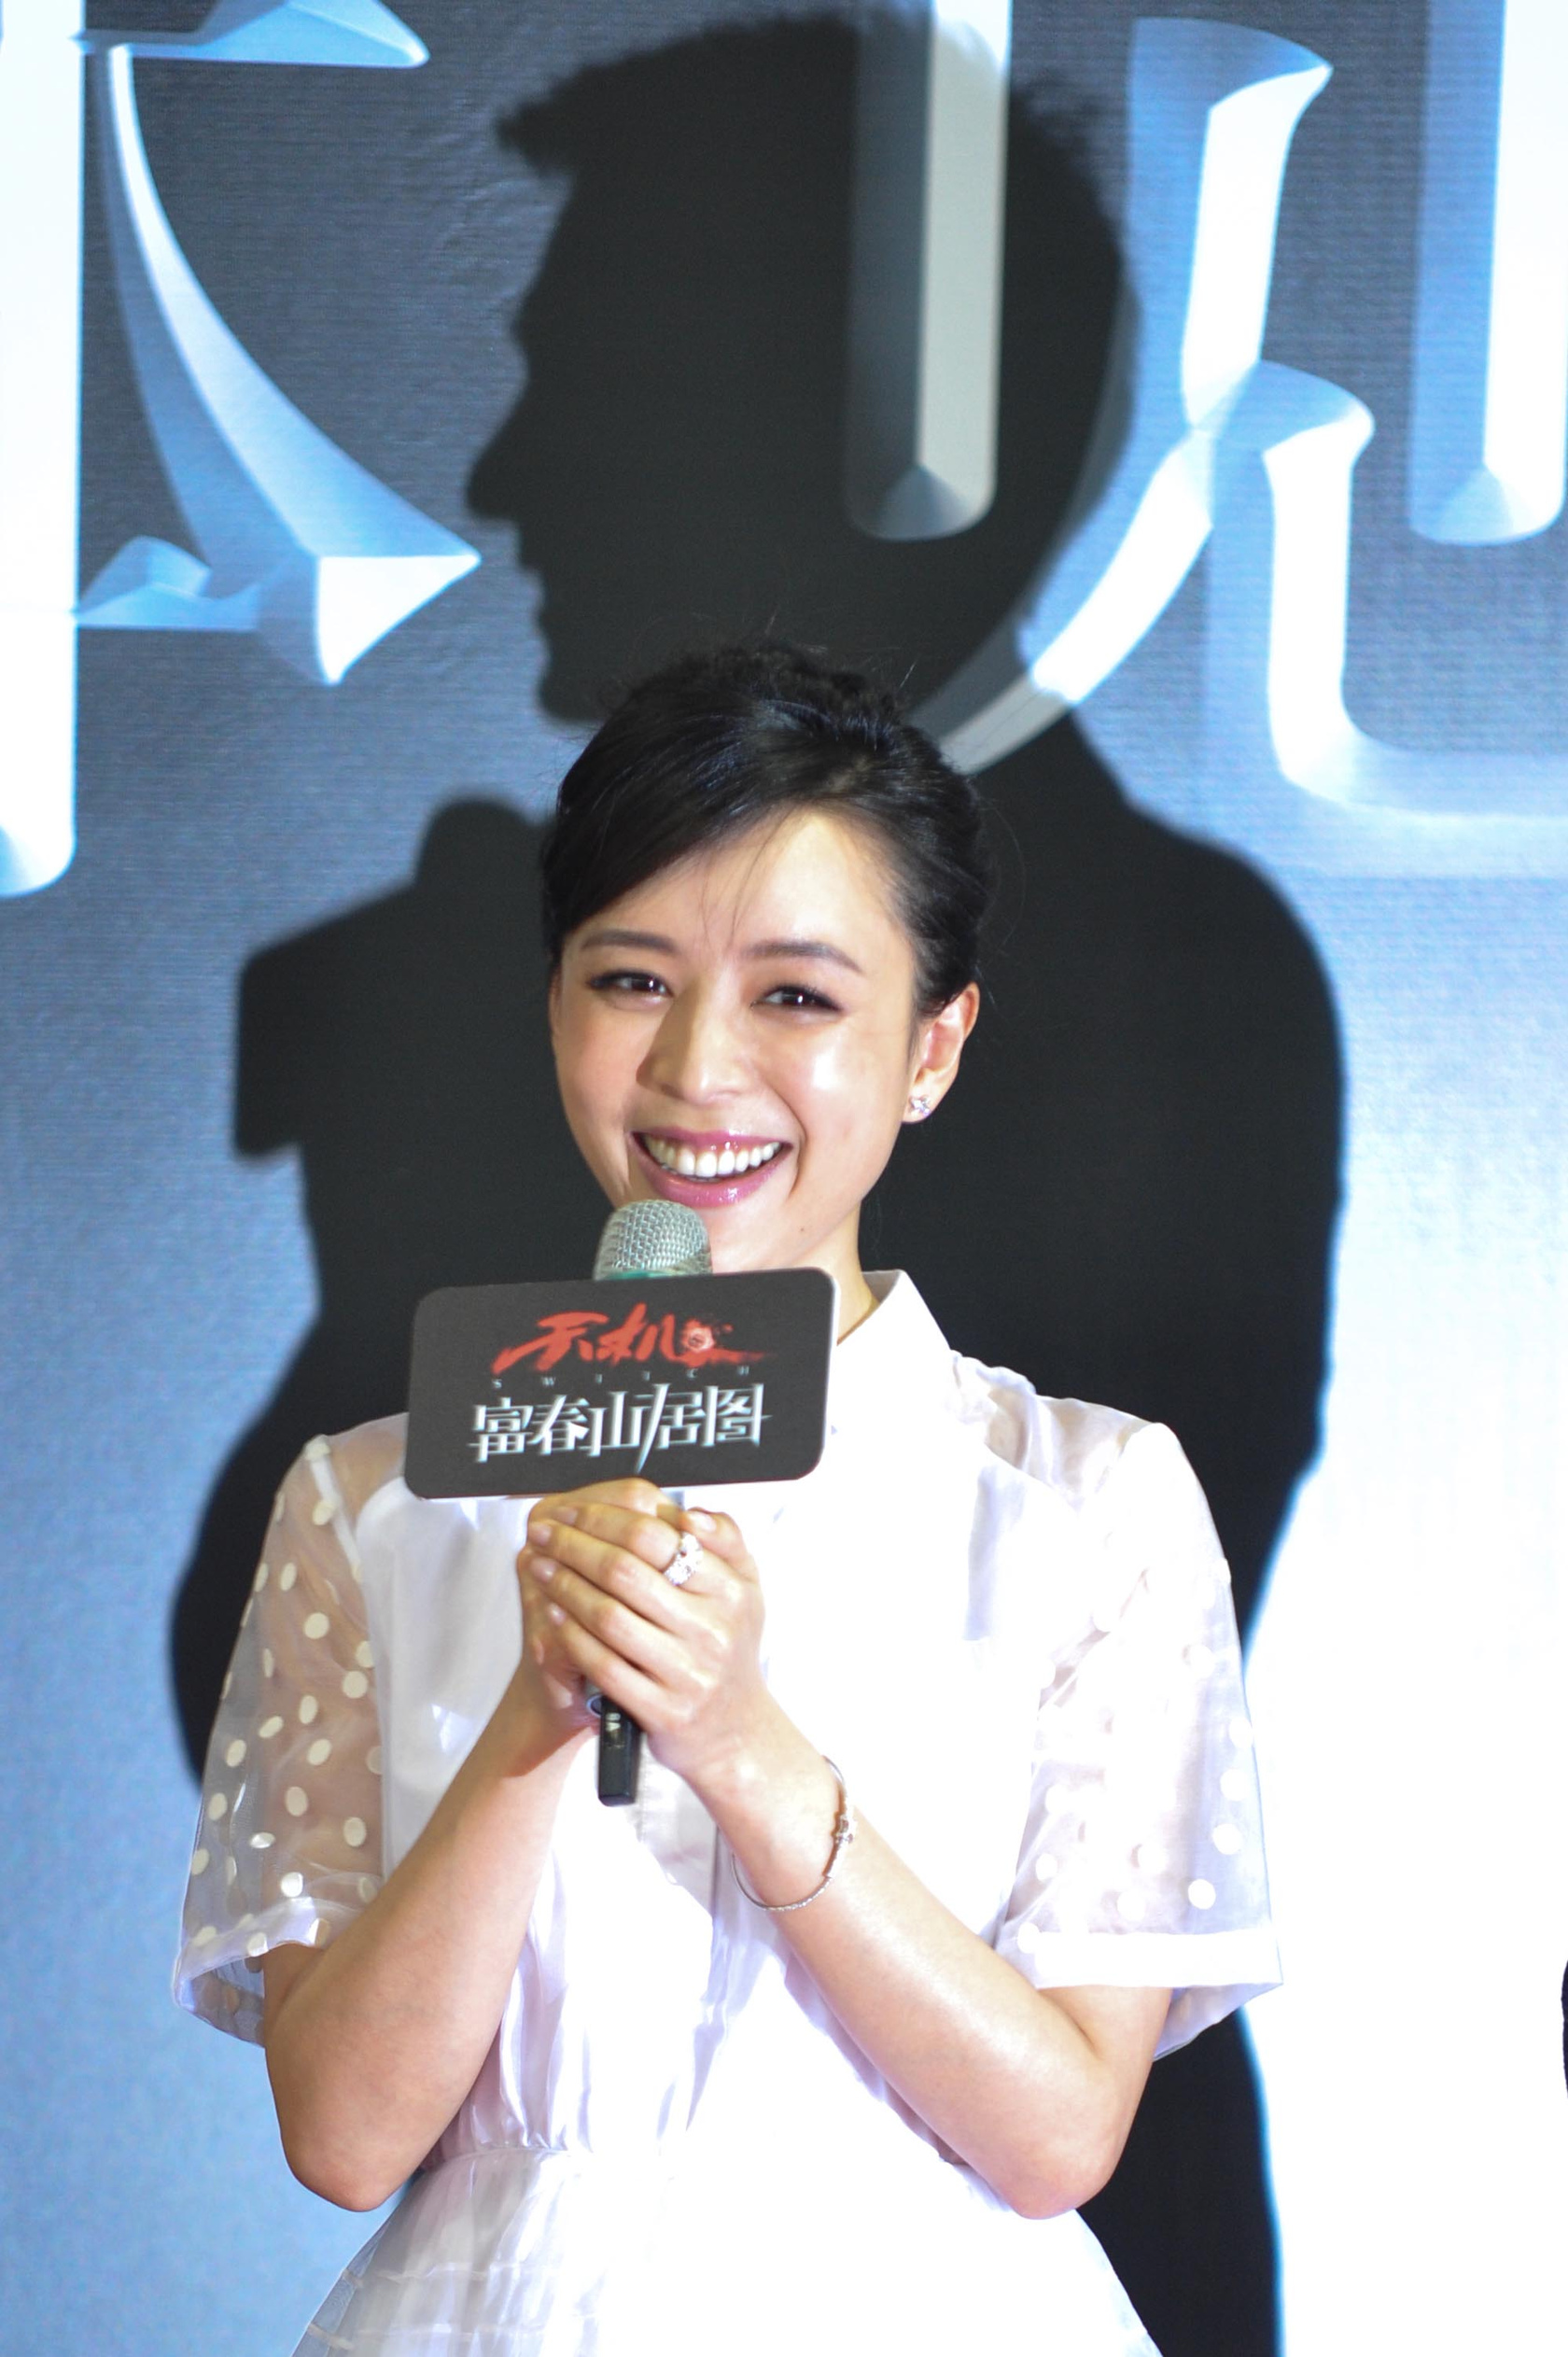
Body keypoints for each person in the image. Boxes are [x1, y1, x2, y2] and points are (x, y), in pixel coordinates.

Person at [174, 644, 1280, 2357]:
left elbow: (1059, 2131)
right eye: (633, 979)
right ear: (556, 1004)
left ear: (932, 1045)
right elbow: (345, 2135)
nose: (698, 1067)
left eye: (797, 997)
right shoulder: (373, 1503)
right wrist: (541, 1707)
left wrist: (742, 1743)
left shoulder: (1085, 1502)